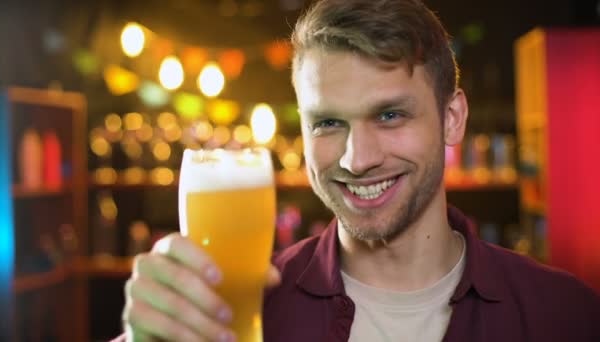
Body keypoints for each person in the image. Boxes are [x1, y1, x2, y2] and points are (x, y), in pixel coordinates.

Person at [117, 0, 600, 341]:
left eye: (389, 115)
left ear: (452, 119)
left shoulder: (566, 315)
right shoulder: (232, 312)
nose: (356, 159)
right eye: (328, 122)